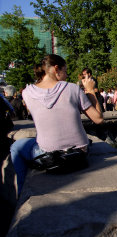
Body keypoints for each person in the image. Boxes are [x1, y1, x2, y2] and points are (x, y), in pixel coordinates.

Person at [10, 54, 103, 195]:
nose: (66, 76)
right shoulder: (72, 88)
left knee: (16, 146)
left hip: (49, 158)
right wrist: (90, 90)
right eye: (65, 71)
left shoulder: (27, 92)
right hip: (79, 155)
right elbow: (98, 119)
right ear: (56, 69)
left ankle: (22, 192)